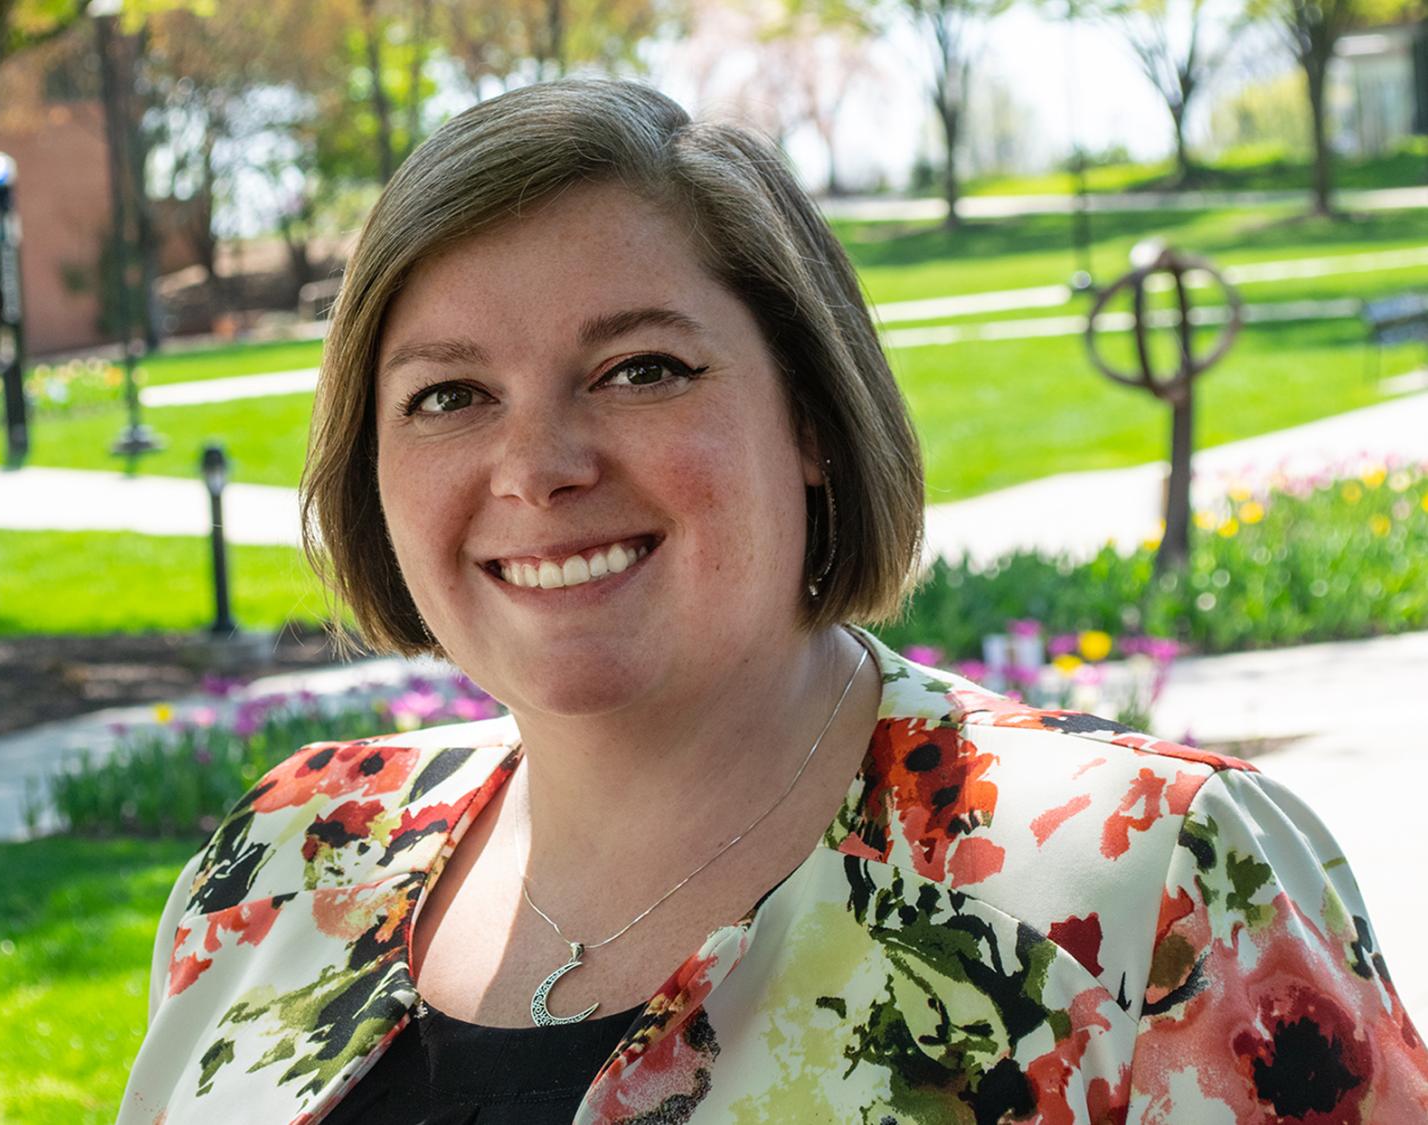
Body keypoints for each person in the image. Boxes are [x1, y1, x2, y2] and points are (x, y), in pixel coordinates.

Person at [118, 78, 1428, 1124]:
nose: (539, 466)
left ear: (807, 414)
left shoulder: (1146, 885)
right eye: (449, 395)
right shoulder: (286, 867)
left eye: (640, 368)